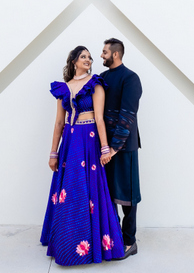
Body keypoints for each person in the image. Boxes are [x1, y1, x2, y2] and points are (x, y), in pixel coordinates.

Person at [40, 46, 125, 265]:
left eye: (89, 57)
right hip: (69, 143)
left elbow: (99, 118)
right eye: (83, 57)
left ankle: (88, 246)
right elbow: (59, 122)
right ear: (73, 61)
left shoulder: (95, 85)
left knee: (87, 190)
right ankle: (65, 241)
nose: (88, 60)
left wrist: (105, 148)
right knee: (69, 190)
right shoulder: (63, 88)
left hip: (88, 142)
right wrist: (53, 153)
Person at [100, 38, 142, 260]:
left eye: (104, 52)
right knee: (108, 193)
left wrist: (113, 148)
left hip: (124, 148)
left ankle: (129, 241)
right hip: (105, 147)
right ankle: (113, 237)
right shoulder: (103, 78)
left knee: (128, 195)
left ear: (115, 54)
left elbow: (127, 116)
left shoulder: (130, 78)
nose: (101, 55)